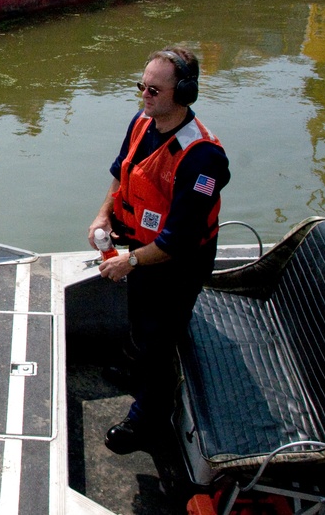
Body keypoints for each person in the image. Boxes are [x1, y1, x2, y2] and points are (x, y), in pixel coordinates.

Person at [87, 46, 230, 455]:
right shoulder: (141, 122)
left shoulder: (201, 157)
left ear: (183, 93)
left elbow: (178, 241)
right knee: (139, 322)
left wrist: (128, 262)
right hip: (140, 250)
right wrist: (103, 217)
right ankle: (136, 364)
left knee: (158, 339)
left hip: (177, 266)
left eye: (155, 89)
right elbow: (121, 174)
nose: (144, 96)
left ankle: (149, 419)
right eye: (142, 86)